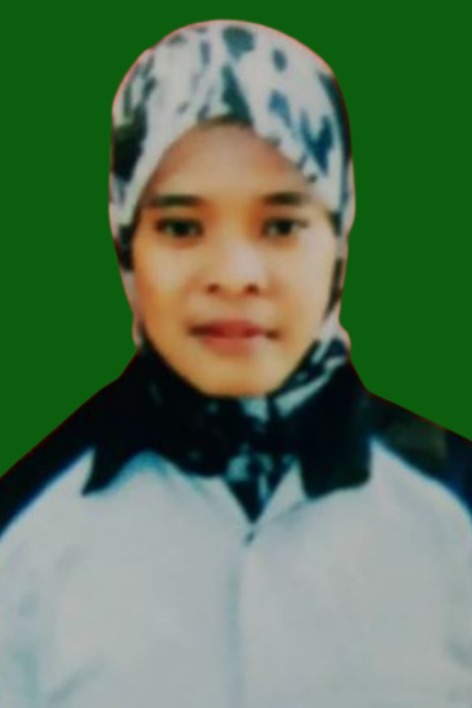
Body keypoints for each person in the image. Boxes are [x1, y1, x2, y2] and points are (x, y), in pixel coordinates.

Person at [0, 20, 471, 708]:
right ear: (126, 243)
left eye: (281, 226)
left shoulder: (452, 509)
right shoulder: (25, 532)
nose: (235, 273)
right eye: (181, 227)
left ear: (339, 238)